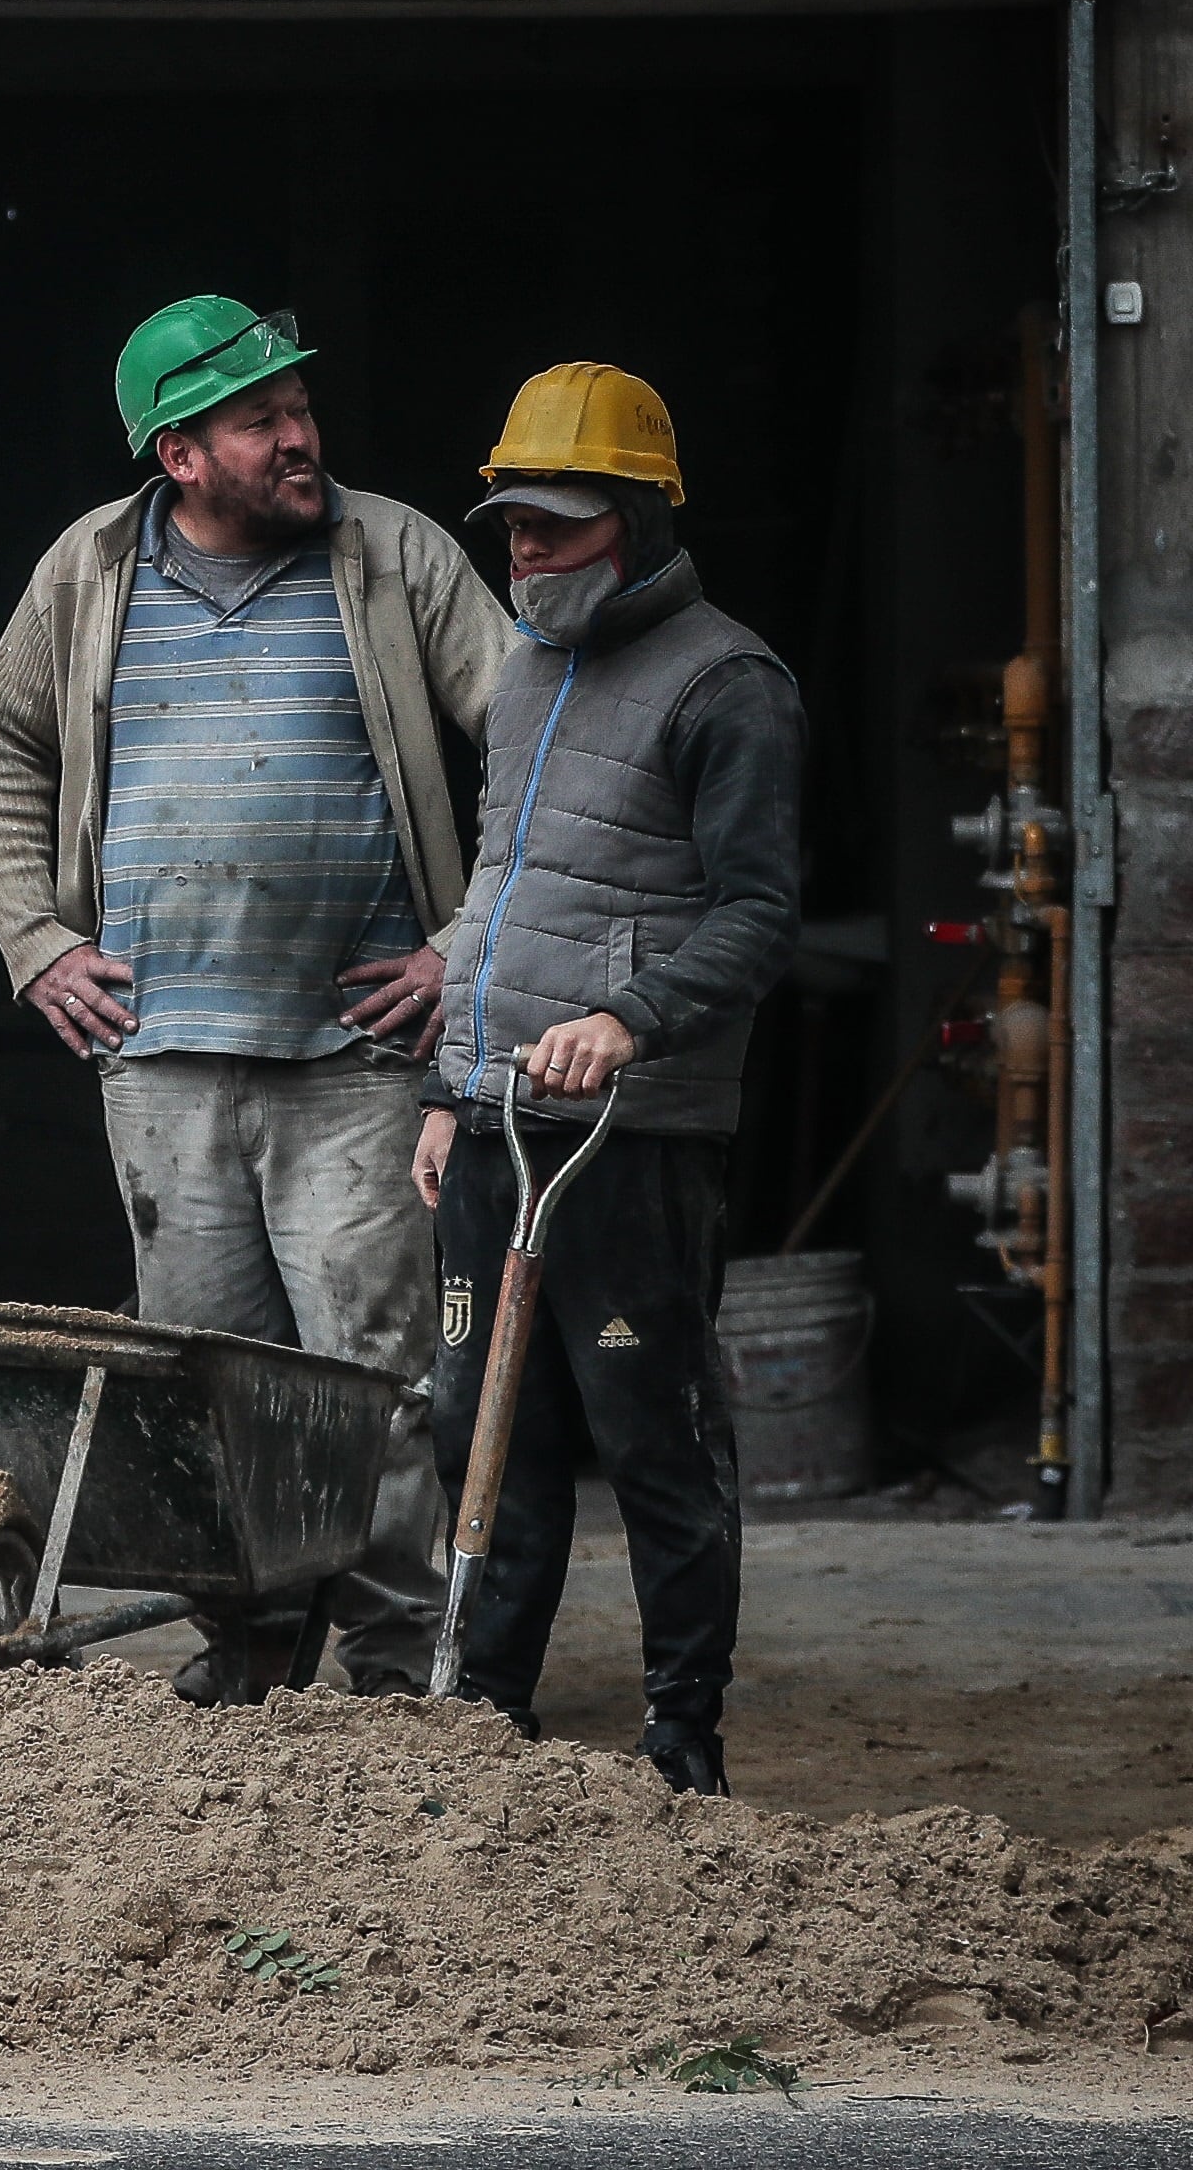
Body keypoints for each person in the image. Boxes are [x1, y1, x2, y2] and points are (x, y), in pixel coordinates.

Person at [0, 294, 517, 1699]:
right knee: (207, 1387)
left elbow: (532, 747)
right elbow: (1, 751)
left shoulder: (394, 555)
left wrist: (463, 942)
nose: (300, 437)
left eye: (301, 410)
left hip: (358, 1062)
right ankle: (251, 1654)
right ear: (179, 455)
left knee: (374, 1383)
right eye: (260, 419)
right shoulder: (89, 573)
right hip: (161, 1068)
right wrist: (36, 939)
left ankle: (396, 1677)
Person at [415, 361, 801, 1797]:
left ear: (636, 520)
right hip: (505, 1117)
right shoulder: (524, 674)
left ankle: (681, 1751)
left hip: (630, 1140)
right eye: (513, 524)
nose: (526, 552)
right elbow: (500, 896)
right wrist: (450, 1090)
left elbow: (758, 914)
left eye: (558, 527)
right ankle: (485, 1739)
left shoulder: (729, 684)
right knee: (484, 1437)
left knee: (656, 1448)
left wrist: (632, 1021)